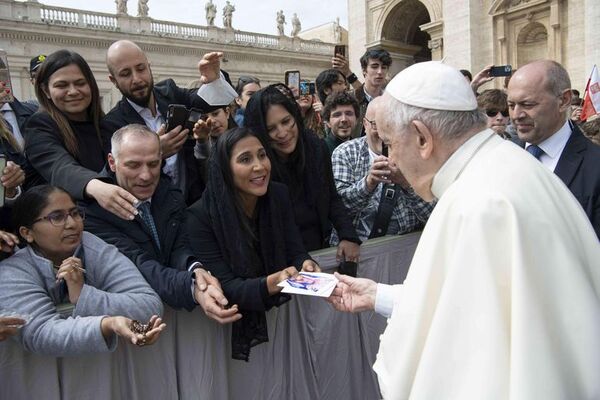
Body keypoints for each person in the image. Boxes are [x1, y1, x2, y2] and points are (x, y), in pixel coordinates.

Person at [327, 61, 600, 399]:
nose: (391, 159)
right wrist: (377, 295)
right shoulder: (504, 166)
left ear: (423, 138)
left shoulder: (478, 203)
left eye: (390, 143)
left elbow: (470, 360)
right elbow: (467, 302)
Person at [186, 127, 319, 361]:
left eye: (262, 155)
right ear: (225, 169)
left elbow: (295, 248)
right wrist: (272, 282)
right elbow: (226, 286)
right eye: (245, 159)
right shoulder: (200, 217)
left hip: (281, 323)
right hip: (220, 337)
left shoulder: (278, 195)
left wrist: (305, 263)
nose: (259, 166)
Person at [84, 124, 240, 324]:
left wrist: (195, 269)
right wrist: (193, 289)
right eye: (133, 165)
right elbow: (139, 266)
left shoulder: (169, 192)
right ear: (112, 163)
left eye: (153, 164)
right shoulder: (94, 212)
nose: (146, 175)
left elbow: (178, 246)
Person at [0, 185, 166, 355]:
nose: (72, 224)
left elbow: (150, 307)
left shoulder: (93, 247)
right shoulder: (12, 272)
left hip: (105, 373)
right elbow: (41, 333)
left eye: (75, 213)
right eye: (56, 217)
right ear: (27, 233)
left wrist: (83, 295)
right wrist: (107, 324)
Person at [104, 40, 234, 206]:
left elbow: (209, 102)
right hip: (154, 213)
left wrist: (213, 79)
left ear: (149, 67)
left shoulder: (170, 92)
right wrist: (156, 153)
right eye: (125, 74)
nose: (136, 79)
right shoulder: (113, 125)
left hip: (195, 204)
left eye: (140, 68)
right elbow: (115, 180)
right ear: (113, 80)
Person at [245, 84, 360, 260]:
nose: (282, 133)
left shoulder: (315, 147)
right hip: (274, 256)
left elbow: (331, 196)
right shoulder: (256, 165)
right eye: (271, 129)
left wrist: (347, 235)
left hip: (317, 247)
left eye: (286, 122)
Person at [24, 50, 138, 221]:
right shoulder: (39, 126)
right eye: (61, 85)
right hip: (70, 224)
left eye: (80, 83)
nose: (73, 91)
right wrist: (95, 186)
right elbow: (60, 167)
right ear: (45, 90)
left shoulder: (106, 125)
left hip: (118, 218)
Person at [507, 60, 600, 238]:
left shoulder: (595, 167)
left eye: (528, 105)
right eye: (511, 105)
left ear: (564, 100)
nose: (516, 115)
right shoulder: (499, 159)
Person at [331, 97, 434, 243]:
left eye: (391, 125)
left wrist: (405, 183)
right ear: (364, 124)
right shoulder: (345, 152)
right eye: (375, 125)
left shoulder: (417, 154)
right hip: (358, 251)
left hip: (405, 248)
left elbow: (433, 215)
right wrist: (368, 183)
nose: (383, 132)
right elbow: (340, 211)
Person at [353, 49, 392, 137]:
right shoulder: (351, 99)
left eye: (384, 67)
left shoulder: (391, 101)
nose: (380, 72)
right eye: (374, 67)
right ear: (364, 70)